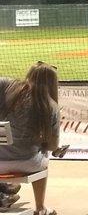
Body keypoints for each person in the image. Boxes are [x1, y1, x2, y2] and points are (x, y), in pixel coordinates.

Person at [0, 62, 60, 215]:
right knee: (44, 156)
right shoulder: (51, 106)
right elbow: (52, 146)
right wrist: (50, 146)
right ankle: (40, 208)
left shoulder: (9, 91)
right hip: (28, 164)